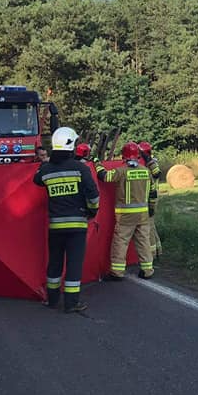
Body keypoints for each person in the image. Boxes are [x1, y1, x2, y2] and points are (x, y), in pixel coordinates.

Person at [33, 126, 100, 314]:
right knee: (73, 264)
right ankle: (71, 303)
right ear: (71, 145)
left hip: (56, 227)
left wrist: (44, 163)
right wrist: (92, 211)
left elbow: (36, 180)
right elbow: (93, 194)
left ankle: (52, 300)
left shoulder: (46, 170)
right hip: (77, 226)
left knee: (54, 263)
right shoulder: (81, 168)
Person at [94, 141, 157, 281]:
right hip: (143, 215)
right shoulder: (146, 171)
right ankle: (147, 270)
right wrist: (151, 209)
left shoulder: (121, 171)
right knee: (143, 242)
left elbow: (104, 176)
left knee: (120, 243)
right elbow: (153, 192)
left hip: (126, 217)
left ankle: (117, 273)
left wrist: (97, 163)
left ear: (124, 156)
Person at [138, 141, 162, 262]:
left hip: (151, 197)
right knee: (152, 225)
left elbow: (157, 173)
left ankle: (151, 254)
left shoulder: (152, 163)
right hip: (150, 196)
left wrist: (148, 160)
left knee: (150, 227)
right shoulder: (147, 163)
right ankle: (158, 250)